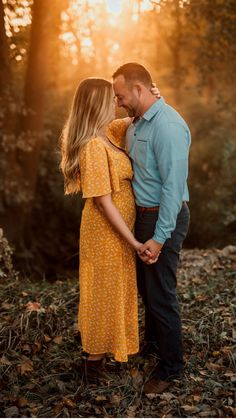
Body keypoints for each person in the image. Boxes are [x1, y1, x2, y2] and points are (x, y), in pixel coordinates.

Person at [60, 78, 158, 378]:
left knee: (113, 292)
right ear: (97, 104)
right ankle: (92, 364)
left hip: (116, 235)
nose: (117, 101)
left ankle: (101, 358)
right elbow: (103, 202)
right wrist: (133, 241)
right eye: (111, 98)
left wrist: (154, 97)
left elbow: (134, 115)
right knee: (102, 294)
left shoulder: (108, 133)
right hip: (105, 234)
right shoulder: (92, 147)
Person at [112, 63, 191, 394]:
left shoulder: (169, 127)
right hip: (143, 216)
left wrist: (159, 239)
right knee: (147, 291)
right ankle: (155, 346)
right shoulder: (135, 123)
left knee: (161, 295)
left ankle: (172, 368)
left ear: (140, 90)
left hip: (165, 217)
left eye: (121, 95)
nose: (118, 102)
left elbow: (173, 190)